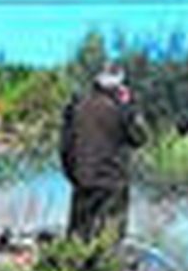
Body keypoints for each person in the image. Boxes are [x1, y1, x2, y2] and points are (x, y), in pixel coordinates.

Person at [59, 65, 147, 244]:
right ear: (117, 86)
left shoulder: (77, 107)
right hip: (112, 183)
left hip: (82, 181)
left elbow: (64, 147)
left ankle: (71, 268)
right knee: (110, 237)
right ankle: (105, 269)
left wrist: (73, 176)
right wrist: (130, 107)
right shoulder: (120, 110)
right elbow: (140, 138)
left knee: (77, 236)